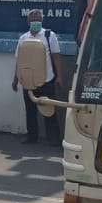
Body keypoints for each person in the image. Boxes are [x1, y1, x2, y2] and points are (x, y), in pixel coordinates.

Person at [12, 9, 64, 146]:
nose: (35, 21)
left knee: (49, 111)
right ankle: (32, 137)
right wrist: (16, 79)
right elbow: (19, 60)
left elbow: (56, 56)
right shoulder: (23, 38)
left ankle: (54, 140)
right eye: (32, 19)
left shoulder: (49, 35)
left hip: (47, 80)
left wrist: (59, 77)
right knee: (30, 111)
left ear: (41, 20)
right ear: (28, 21)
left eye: (37, 18)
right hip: (28, 81)